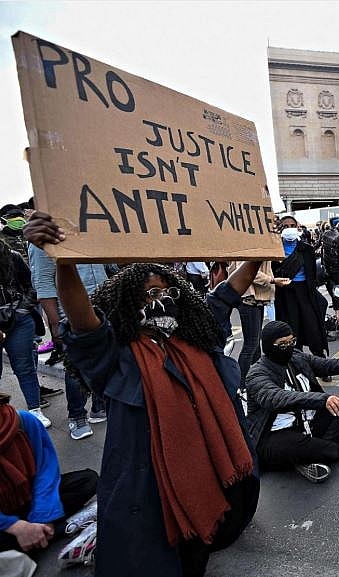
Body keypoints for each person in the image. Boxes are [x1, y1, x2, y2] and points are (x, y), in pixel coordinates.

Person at [24, 211, 262, 577]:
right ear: (129, 304)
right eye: (151, 294)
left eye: (169, 293)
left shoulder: (193, 336)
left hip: (209, 467)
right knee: (156, 554)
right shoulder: (117, 354)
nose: (163, 300)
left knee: (198, 550)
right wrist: (65, 262)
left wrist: (260, 248)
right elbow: (85, 323)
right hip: (150, 482)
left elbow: (227, 293)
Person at [245, 321, 339, 483]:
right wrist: (322, 399)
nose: (288, 347)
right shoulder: (256, 374)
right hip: (275, 435)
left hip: (308, 424)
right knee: (293, 444)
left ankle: (309, 456)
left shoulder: (296, 357)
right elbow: (276, 397)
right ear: (268, 346)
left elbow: (327, 366)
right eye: (282, 344)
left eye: (291, 341)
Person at [28, 244, 109, 440]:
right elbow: (44, 283)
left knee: (104, 361)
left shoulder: (89, 231)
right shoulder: (44, 240)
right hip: (70, 313)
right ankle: (77, 416)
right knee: (75, 367)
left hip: (102, 309)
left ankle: (99, 408)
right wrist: (55, 325)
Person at [0, 392, 98, 554]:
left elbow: (45, 470)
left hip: (32, 499)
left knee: (87, 480)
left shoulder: (22, 420)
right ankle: (54, 530)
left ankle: (36, 534)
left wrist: (42, 516)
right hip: (4, 519)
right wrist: (15, 526)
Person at [0, 239, 50, 428]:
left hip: (18, 320)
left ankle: (35, 410)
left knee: (25, 366)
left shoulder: (12, 256)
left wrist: (21, 310)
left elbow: (31, 287)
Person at [273, 215, 329, 360]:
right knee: (291, 329)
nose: (290, 229)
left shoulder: (306, 249)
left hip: (305, 292)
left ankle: (321, 362)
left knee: (313, 328)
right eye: (286, 226)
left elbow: (312, 275)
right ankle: (296, 364)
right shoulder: (274, 250)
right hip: (285, 294)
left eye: (292, 225)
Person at [227, 259, 275, 387]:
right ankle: (241, 385)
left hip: (257, 297)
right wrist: (272, 280)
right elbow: (247, 272)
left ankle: (257, 378)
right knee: (251, 345)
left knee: (255, 344)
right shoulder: (246, 246)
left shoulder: (256, 243)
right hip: (248, 299)